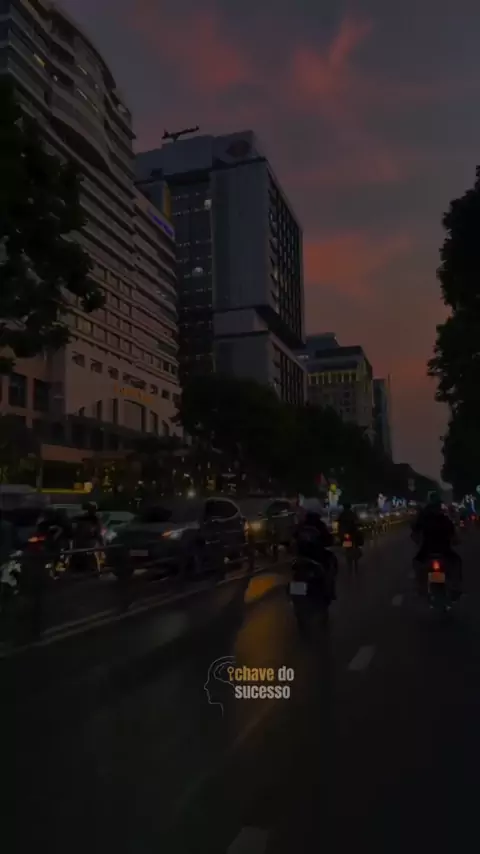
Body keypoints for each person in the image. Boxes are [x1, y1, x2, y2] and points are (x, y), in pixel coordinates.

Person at [411, 492, 462, 596]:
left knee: (417, 563)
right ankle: (455, 587)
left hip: (427, 550)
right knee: (457, 562)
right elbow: (454, 537)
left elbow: (415, 532)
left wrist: (417, 540)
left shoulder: (424, 519)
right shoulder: (445, 519)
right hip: (443, 550)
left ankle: (421, 587)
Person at [294, 511, 337, 601]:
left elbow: (294, 537)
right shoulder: (320, 525)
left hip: (302, 556)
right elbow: (328, 539)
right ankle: (329, 592)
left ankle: (296, 594)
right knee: (330, 566)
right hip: (316, 556)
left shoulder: (301, 525)